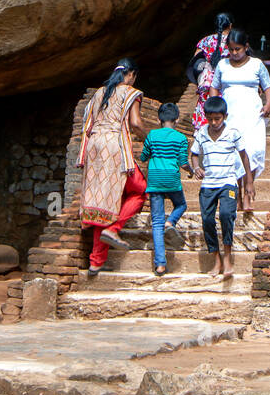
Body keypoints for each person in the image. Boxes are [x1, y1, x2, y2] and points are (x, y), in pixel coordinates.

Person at [77, 57, 146, 275]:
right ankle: (113, 228)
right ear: (132, 74)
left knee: (103, 201)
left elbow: (87, 120)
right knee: (140, 190)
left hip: (94, 146)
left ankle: (96, 261)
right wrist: (150, 139)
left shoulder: (100, 92)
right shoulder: (130, 92)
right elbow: (135, 123)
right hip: (114, 146)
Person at [191, 95, 253, 278]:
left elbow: (244, 156)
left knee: (226, 215)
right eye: (210, 119)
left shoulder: (233, 132)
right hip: (208, 183)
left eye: (217, 118)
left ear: (225, 116)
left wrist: (249, 182)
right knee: (207, 219)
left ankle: (227, 257)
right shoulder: (202, 132)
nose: (214, 122)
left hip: (228, 182)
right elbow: (194, 154)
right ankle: (215, 258)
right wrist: (196, 168)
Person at [212, 27, 270, 211]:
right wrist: (215, 107)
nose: (234, 53)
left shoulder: (256, 64)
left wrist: (268, 104)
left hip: (253, 115)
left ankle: (248, 193)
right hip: (230, 116)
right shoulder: (223, 65)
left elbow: (268, 86)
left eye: (237, 49)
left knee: (252, 152)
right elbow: (214, 87)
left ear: (246, 47)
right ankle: (237, 194)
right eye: (231, 49)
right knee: (234, 156)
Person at [140, 102, 193, 277]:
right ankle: (170, 222)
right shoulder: (180, 138)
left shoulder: (152, 135)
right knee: (181, 205)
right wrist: (191, 171)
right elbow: (183, 162)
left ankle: (160, 265)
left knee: (156, 222)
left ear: (158, 119)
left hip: (155, 180)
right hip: (172, 179)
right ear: (177, 119)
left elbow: (143, 156)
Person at [190, 12, 233, 132]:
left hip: (207, 82)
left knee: (206, 105)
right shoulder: (234, 42)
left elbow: (196, 64)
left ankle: (202, 130)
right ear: (230, 25)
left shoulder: (205, 41)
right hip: (225, 81)